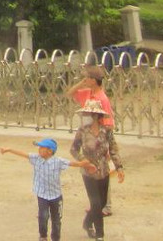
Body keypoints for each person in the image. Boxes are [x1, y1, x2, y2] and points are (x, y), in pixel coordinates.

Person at [0, 138, 96, 241]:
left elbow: (74, 164)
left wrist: (86, 164)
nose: (39, 149)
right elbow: (23, 154)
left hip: (56, 196)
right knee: (43, 216)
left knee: (56, 219)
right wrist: (9, 150)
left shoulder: (58, 161)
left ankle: (55, 238)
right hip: (42, 195)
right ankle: (43, 236)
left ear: (50, 151)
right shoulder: (36, 159)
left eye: (42, 148)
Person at [70, 99, 124, 241]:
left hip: (103, 170)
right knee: (95, 202)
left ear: (97, 116)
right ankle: (100, 235)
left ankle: (88, 222)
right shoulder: (82, 131)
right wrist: (84, 161)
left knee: (101, 202)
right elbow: (74, 149)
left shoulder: (106, 131)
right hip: (88, 172)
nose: (89, 116)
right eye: (88, 113)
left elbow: (113, 149)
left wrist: (119, 167)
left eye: (92, 114)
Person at [65, 65, 116, 215]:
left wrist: (106, 145)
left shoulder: (102, 98)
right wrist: (82, 83)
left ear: (94, 80)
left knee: (102, 172)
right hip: (88, 137)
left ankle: (105, 205)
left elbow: (107, 122)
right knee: (91, 171)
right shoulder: (88, 93)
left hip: (98, 138)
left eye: (87, 77)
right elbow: (70, 93)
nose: (85, 79)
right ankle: (96, 204)